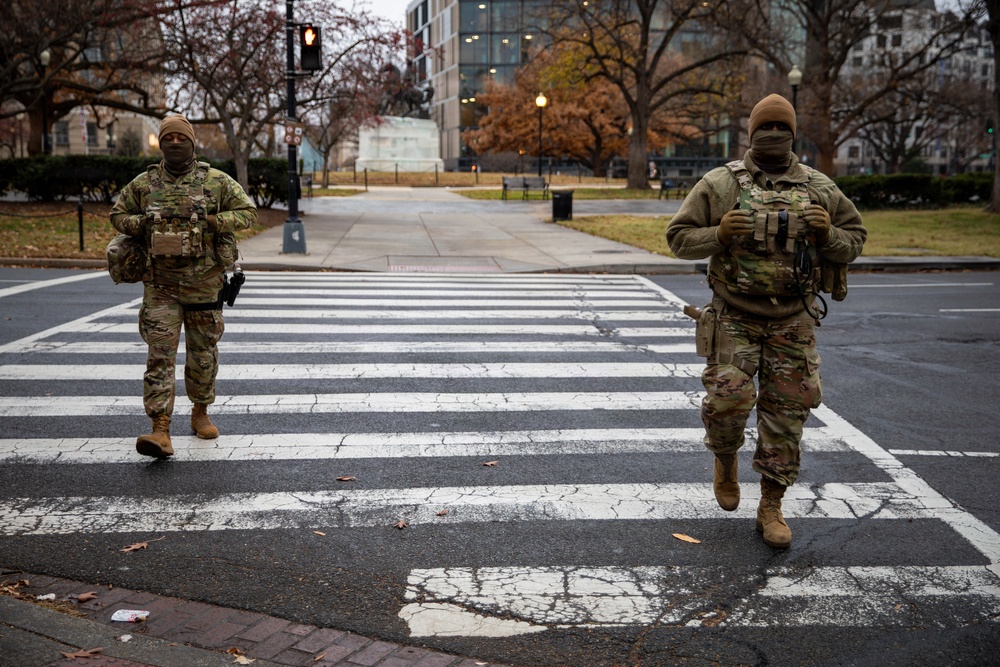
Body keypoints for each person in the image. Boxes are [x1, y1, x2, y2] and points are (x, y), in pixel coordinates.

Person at [666, 94, 866, 548]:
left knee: (786, 416)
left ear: (793, 134)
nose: (774, 135)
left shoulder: (820, 188)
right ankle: (724, 458)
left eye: (782, 127)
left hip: (792, 320)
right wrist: (717, 234)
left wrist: (826, 233)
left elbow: (854, 241)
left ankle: (771, 508)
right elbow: (678, 238)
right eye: (766, 127)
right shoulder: (721, 184)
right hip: (733, 315)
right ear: (751, 134)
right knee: (727, 404)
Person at [110, 114, 257, 458]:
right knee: (159, 356)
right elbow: (117, 215)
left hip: (205, 284)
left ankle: (200, 412)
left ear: (192, 143)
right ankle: (160, 428)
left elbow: (248, 213)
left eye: (181, 138)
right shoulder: (144, 184)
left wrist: (212, 221)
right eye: (168, 139)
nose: (175, 144)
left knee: (203, 354)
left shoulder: (216, 182)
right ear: (161, 143)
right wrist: (142, 223)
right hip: (161, 285)